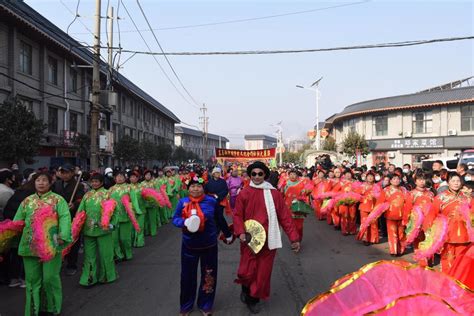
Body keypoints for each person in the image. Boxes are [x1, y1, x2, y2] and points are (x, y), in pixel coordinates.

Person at [233, 161, 300, 314]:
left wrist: (294, 238)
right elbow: (237, 215)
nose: (256, 176)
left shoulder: (274, 193)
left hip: (269, 240)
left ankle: (253, 299)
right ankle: (245, 288)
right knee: (246, 270)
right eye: (253, 174)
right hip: (249, 239)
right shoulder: (244, 193)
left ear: (265, 175)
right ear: (250, 175)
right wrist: (240, 232)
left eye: (260, 173)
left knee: (262, 272)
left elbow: (285, 217)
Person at [14, 172, 72, 316]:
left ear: (50, 182)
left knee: (49, 278)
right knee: (32, 280)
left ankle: (52, 307)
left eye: (44, 180)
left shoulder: (58, 200)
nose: (41, 183)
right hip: (29, 246)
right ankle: (34, 309)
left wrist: (63, 235)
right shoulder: (27, 201)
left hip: (51, 245)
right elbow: (17, 222)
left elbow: (65, 217)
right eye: (38, 180)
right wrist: (7, 235)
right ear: (34, 183)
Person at [172, 176, 231, 316]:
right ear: (188, 189)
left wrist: (228, 234)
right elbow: (175, 219)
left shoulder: (211, 201)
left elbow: (219, 218)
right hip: (189, 246)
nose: (195, 189)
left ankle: (205, 304)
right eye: (192, 186)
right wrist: (184, 223)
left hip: (209, 245)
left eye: (198, 186)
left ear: (203, 188)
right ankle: (186, 305)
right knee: (187, 277)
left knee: (209, 276)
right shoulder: (182, 202)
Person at [77, 173, 117, 286]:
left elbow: (114, 212)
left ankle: (106, 276)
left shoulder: (108, 194)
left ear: (101, 182)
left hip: (103, 230)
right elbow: (81, 212)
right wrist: (77, 226)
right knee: (89, 256)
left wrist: (111, 224)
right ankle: (89, 278)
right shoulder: (87, 195)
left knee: (106, 254)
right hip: (88, 230)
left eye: (96, 181)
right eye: (92, 181)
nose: (94, 183)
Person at [431, 172, 473, 272]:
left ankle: (458, 285)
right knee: (447, 261)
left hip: (464, 235)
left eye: (458, 181)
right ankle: (447, 283)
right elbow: (432, 215)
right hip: (446, 235)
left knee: (461, 262)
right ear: (448, 182)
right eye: (453, 181)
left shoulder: (467, 198)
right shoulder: (440, 198)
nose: (456, 183)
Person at [52, 163, 85, 276]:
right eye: (62, 173)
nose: (65, 175)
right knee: (58, 239)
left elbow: (81, 199)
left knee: (73, 240)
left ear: (72, 173)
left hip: (72, 217)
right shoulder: (56, 184)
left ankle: (72, 264)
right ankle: (60, 260)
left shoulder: (78, 185)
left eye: (67, 172)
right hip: (58, 217)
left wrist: (75, 204)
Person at [376, 173, 409, 256]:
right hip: (390, 215)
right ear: (390, 181)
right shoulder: (386, 190)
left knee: (401, 234)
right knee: (392, 233)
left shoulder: (403, 190)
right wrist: (377, 213)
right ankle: (393, 251)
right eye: (394, 179)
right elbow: (380, 202)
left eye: (398, 179)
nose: (396, 180)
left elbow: (408, 202)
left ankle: (401, 249)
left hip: (402, 215)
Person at [204, 167, 232, 238]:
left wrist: (218, 197)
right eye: (216, 173)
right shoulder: (208, 182)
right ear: (213, 174)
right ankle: (217, 230)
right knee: (214, 217)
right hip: (211, 202)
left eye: (219, 173)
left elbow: (225, 190)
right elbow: (205, 192)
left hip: (220, 201)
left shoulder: (223, 181)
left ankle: (227, 233)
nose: (218, 174)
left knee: (220, 217)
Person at [358, 171, 380, 245]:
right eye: (369, 176)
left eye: (372, 176)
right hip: (364, 206)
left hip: (374, 207)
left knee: (374, 223)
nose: (370, 178)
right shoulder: (362, 186)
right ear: (366, 178)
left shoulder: (377, 186)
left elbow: (381, 197)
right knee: (364, 223)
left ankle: (373, 238)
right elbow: (357, 195)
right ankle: (365, 239)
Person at [129, 171, 145, 248]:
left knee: (140, 226)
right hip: (131, 210)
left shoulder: (142, 187)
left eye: (134, 177)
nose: (133, 178)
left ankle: (139, 241)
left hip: (141, 209)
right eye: (131, 177)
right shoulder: (127, 187)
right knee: (132, 227)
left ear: (137, 178)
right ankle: (132, 241)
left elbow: (147, 196)